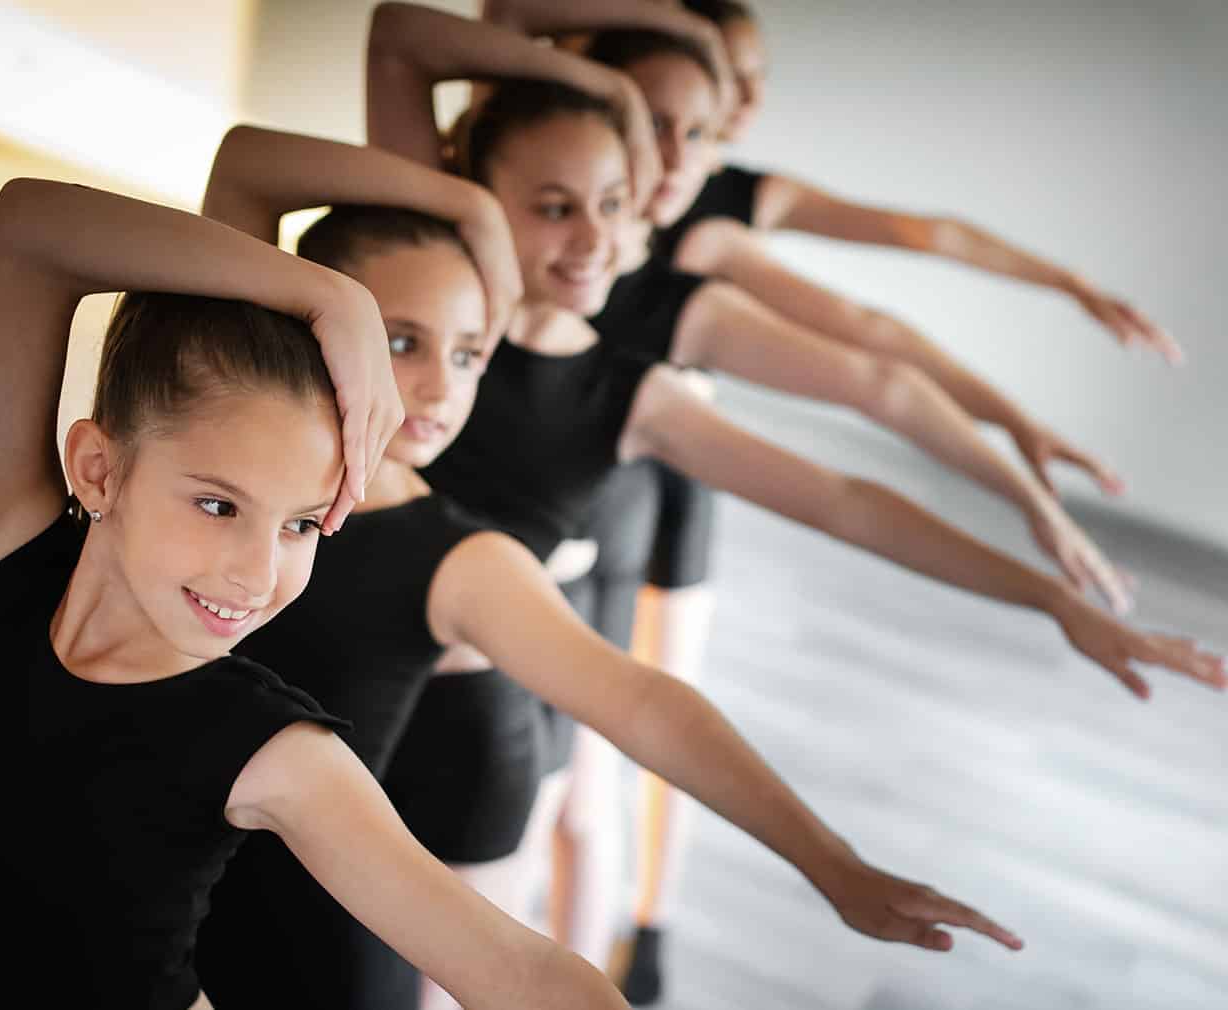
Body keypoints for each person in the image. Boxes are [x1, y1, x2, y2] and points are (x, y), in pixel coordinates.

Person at [367, 3, 1228, 996]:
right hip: (333, 668)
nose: (598, 231)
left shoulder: (632, 383)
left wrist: (1046, 585)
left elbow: (847, 496)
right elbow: (403, 36)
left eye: (615, 198)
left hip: (472, 715)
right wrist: (619, 76)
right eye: (562, 201)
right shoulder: (431, 262)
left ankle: (642, 937)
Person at [191, 126, 1024, 1010]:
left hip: (303, 963)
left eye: (470, 352)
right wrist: (474, 207)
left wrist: (827, 859)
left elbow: (640, 699)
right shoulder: (206, 421)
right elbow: (247, 165)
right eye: (399, 340)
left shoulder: (451, 554)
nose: (440, 387)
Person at [0, 177, 632, 1010]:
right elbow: (27, 228)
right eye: (219, 505)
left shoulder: (274, 750)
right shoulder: (1, 559)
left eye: (302, 525)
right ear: (99, 467)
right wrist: (333, 299)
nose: (258, 575)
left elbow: (523, 972)